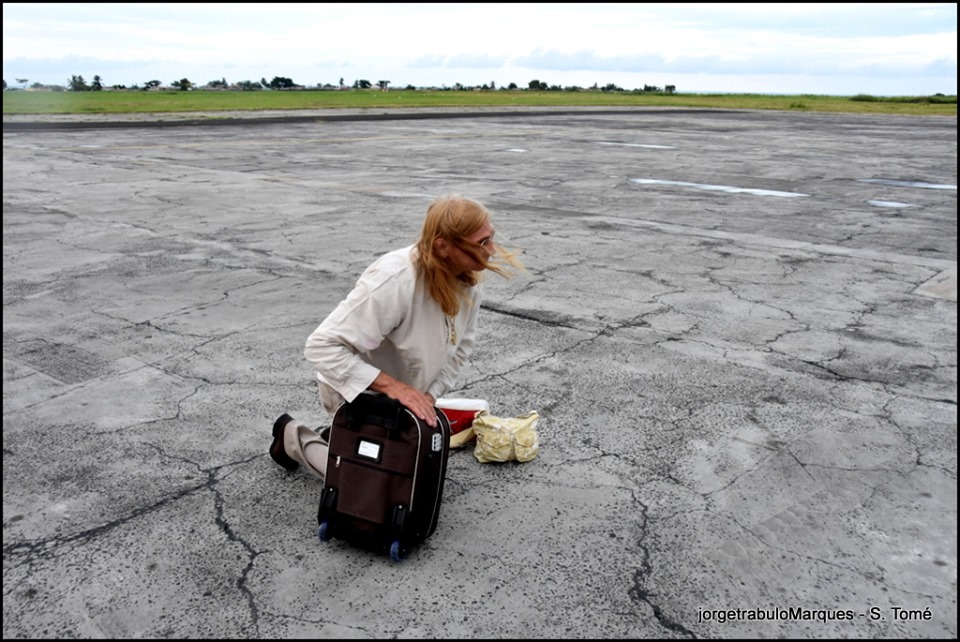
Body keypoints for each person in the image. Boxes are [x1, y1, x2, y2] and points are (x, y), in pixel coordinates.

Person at [269, 194, 524, 479]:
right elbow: (321, 347)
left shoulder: (466, 278)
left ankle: (345, 439)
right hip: (355, 391)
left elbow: (461, 347)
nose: (491, 250)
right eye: (481, 243)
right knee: (369, 485)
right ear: (443, 246)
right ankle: (292, 436)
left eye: (490, 237)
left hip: (404, 398)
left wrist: (428, 396)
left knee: (407, 478)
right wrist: (396, 388)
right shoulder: (395, 280)